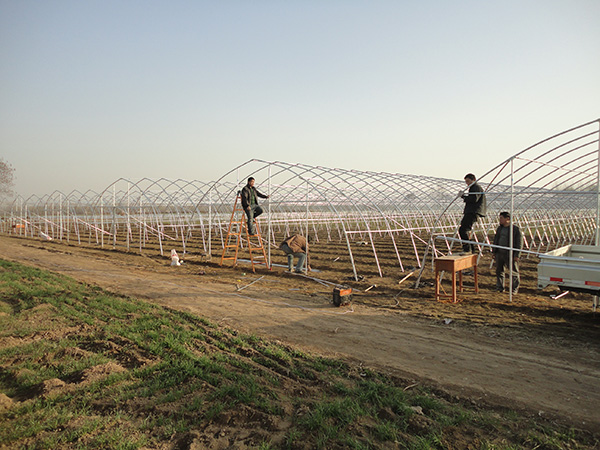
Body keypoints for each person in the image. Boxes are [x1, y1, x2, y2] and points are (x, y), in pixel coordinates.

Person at [492, 211, 522, 293]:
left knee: (513, 272)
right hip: (499, 253)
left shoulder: (515, 229)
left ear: (507, 219)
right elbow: (496, 240)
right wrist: (494, 252)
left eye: (501, 218)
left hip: (510, 254)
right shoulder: (500, 228)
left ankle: (514, 289)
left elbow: (519, 243)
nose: (500, 220)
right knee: (499, 271)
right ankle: (500, 287)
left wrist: (517, 255)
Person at [458, 173, 486, 253]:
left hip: (473, 212)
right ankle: (471, 249)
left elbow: (474, 199)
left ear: (473, 180)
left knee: (463, 229)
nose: (467, 183)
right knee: (465, 229)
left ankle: (467, 249)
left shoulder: (476, 187)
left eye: (468, 181)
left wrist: (463, 196)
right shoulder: (474, 188)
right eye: (466, 182)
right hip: (472, 211)